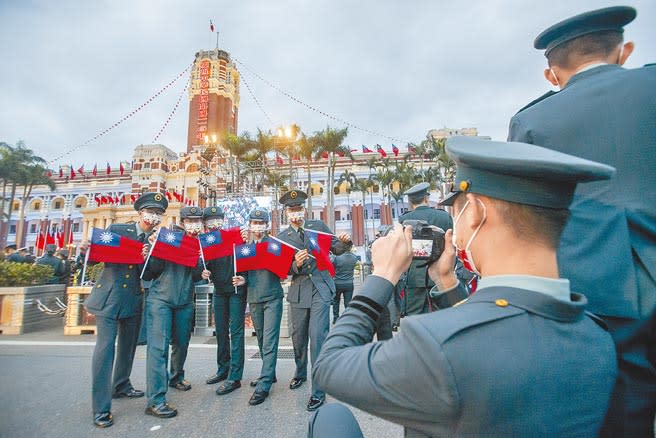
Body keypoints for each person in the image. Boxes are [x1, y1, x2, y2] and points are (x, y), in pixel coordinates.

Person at [310, 136, 618, 437]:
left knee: (330, 417)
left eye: (455, 211)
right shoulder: (597, 337)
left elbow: (329, 365)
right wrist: (447, 283)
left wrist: (383, 275)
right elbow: (494, 325)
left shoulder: (439, 345)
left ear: (475, 212)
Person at [507, 7, 656, 435]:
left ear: (551, 75)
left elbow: (528, 221)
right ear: (623, 51)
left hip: (600, 291)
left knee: (624, 414)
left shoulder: (531, 122)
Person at [83, 192, 168, 428]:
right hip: (109, 296)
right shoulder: (119, 230)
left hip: (134, 297)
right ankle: (101, 408)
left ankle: (121, 385)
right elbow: (94, 259)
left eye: (158, 213)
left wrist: (149, 256)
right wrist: (86, 249)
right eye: (150, 211)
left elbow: (153, 272)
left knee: (128, 347)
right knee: (105, 351)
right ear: (140, 212)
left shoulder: (157, 240)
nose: (153, 216)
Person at [276, 189, 350, 412]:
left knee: (318, 337)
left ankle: (319, 391)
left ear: (304, 209)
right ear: (286, 212)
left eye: (299, 208)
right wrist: (296, 264)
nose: (295, 212)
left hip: (320, 288)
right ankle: (300, 372)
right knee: (299, 339)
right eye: (291, 209)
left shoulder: (317, 227)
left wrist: (346, 241)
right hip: (299, 291)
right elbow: (282, 269)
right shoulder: (282, 238)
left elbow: (335, 247)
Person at [142, 206, 210, 418]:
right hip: (160, 299)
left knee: (181, 342)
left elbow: (197, 275)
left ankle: (176, 376)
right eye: (190, 220)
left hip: (184, 300)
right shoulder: (168, 238)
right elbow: (152, 271)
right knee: (158, 348)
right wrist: (153, 251)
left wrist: (203, 270)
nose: (194, 223)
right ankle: (156, 400)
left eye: (197, 220)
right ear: (182, 221)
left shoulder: (199, 244)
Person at [237, 208, 283, 406]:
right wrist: (241, 279)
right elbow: (245, 273)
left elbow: (283, 269)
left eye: (260, 223)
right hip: (254, 298)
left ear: (266, 225)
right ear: (249, 225)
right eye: (254, 223)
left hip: (272, 297)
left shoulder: (274, 245)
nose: (257, 226)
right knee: (262, 338)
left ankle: (264, 384)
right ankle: (269, 373)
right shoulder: (246, 247)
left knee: (270, 341)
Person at [203, 206, 248, 397]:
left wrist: (244, 277)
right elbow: (205, 266)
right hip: (219, 290)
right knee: (220, 331)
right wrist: (203, 272)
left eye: (218, 220)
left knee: (236, 332)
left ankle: (235, 376)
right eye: (211, 221)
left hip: (236, 289)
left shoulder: (235, 237)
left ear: (223, 221)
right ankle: (223, 368)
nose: (215, 223)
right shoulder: (207, 242)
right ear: (206, 224)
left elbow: (248, 258)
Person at [398, 182, 452, 315]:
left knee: (415, 318)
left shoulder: (404, 220)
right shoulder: (444, 217)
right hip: (441, 273)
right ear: (427, 199)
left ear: (410, 202)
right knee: (444, 315)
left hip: (414, 277)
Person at [330, 239, 360, 324]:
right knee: (348, 302)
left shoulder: (337, 258)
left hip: (337, 283)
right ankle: (347, 319)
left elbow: (332, 268)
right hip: (349, 283)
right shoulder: (354, 257)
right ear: (350, 247)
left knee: (336, 301)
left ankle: (336, 318)